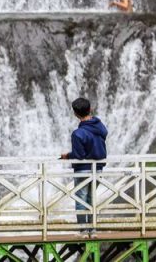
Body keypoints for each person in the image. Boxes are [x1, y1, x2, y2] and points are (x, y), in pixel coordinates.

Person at [60, 97, 108, 234]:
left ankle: (83, 229)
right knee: (92, 198)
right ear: (90, 109)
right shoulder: (101, 127)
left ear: (75, 113)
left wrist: (67, 156)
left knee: (81, 200)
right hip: (98, 168)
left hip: (83, 170)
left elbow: (79, 155)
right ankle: (93, 228)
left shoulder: (78, 134)